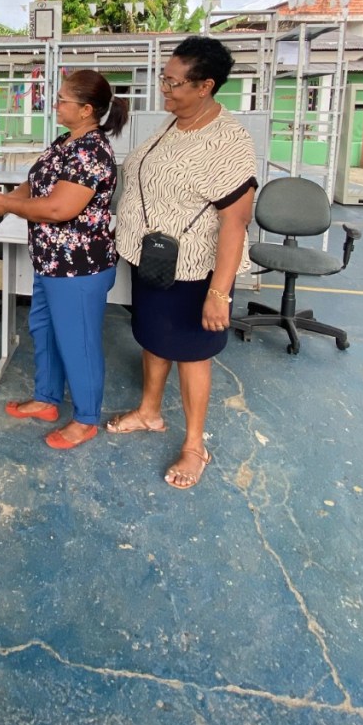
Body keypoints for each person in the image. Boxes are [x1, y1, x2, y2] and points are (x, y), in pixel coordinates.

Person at [110, 36, 256, 489]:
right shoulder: (175, 122)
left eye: (174, 83)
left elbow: (235, 223)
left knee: (193, 354)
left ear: (205, 86)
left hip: (193, 270)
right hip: (153, 261)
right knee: (154, 338)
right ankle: (150, 412)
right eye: (164, 79)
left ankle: (195, 446)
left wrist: (219, 293)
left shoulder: (228, 142)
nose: (164, 90)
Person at [0, 70, 129, 449]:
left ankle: (86, 418)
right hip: (49, 261)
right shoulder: (65, 142)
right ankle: (46, 399)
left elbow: (59, 208)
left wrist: (5, 205)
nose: (55, 104)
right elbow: (37, 183)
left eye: (62, 100)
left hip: (79, 266)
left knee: (79, 341)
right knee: (43, 329)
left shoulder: (92, 152)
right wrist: (4, 195)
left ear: (87, 109)